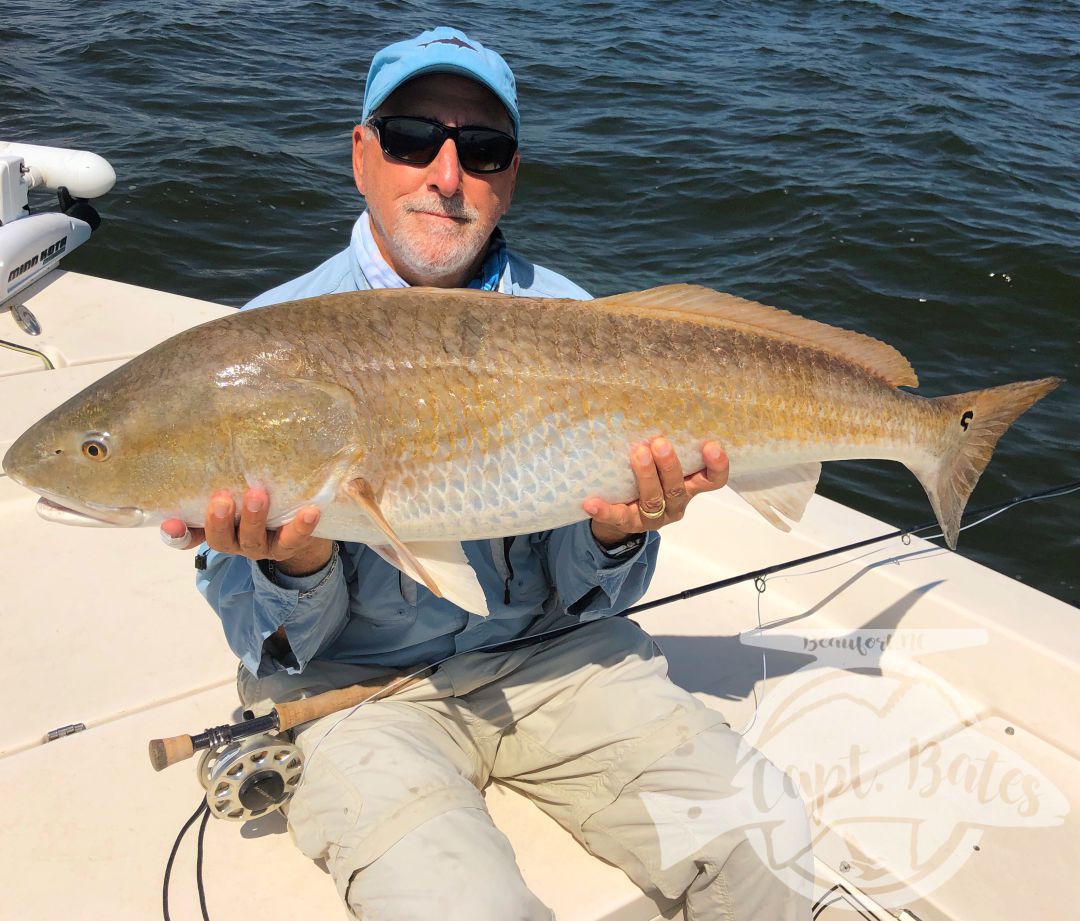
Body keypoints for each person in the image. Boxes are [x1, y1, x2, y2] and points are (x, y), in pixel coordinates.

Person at [161, 27, 812, 920]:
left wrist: (614, 535)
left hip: (560, 657)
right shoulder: (263, 342)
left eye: (483, 148)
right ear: (361, 155)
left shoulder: (576, 320)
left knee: (767, 845)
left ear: (510, 174)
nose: (445, 171)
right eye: (409, 138)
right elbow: (269, 649)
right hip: (355, 696)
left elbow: (592, 605)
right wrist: (294, 565)